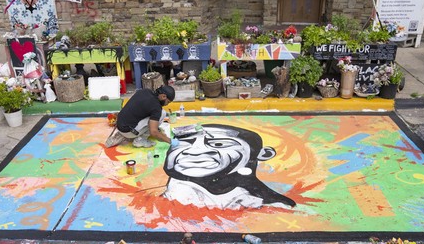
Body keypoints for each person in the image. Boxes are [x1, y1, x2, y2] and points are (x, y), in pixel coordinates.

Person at [163, 124, 296, 209]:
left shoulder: (271, 205)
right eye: (185, 143)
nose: (194, 151)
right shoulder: (174, 191)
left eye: (219, 144)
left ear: (263, 154)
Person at [105, 85, 178, 148]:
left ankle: (123, 135)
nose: (167, 104)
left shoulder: (145, 91)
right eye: (168, 102)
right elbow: (153, 132)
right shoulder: (156, 107)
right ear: (163, 96)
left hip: (119, 124)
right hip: (128, 131)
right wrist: (170, 141)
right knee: (162, 113)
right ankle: (140, 140)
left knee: (151, 116)